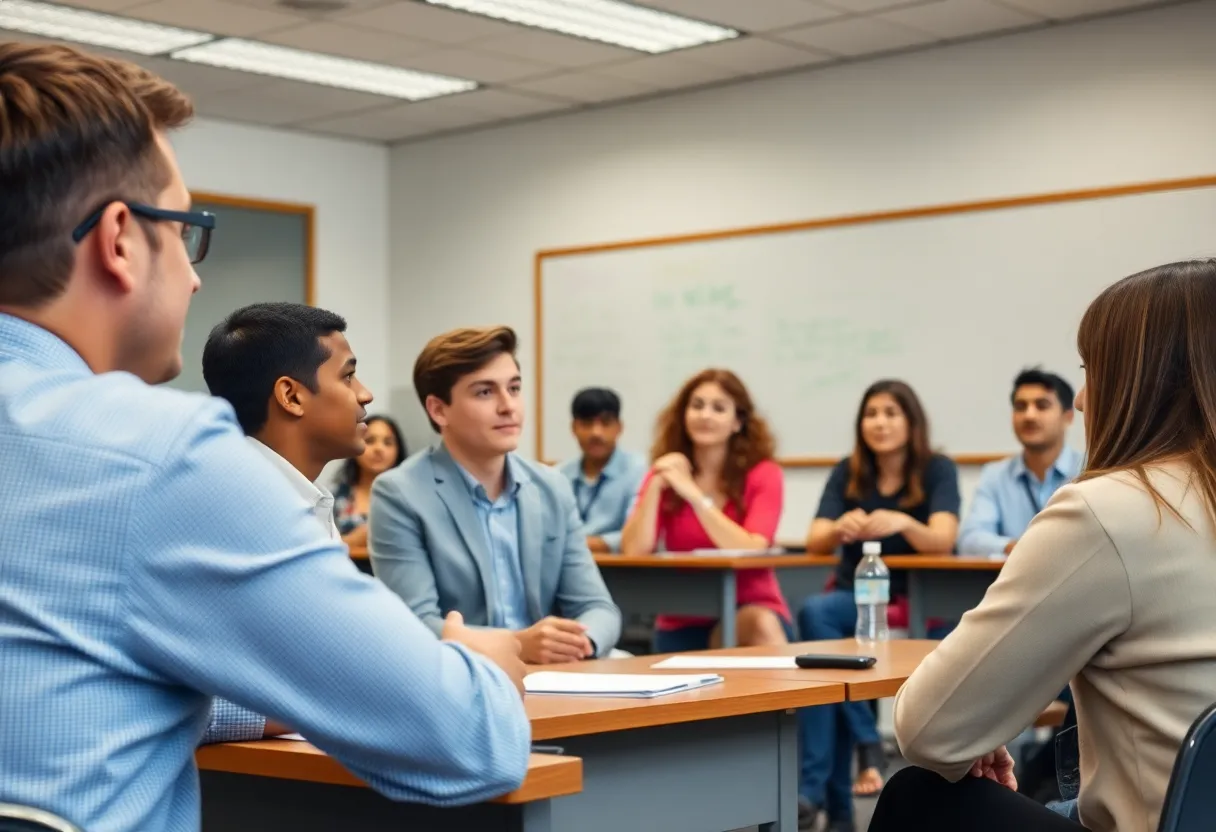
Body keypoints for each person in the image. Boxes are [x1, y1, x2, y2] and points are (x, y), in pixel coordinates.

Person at [0, 42, 531, 832]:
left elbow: (66, 683)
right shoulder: (156, 460)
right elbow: (467, 740)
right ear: (118, 240)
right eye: (185, 230)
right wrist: (481, 669)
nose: (194, 273)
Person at [872, 260, 1216, 832]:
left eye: (1091, 370)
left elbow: (929, 729)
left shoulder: (1110, 509)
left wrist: (970, 728)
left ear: (1142, 380)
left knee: (919, 795)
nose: (1080, 400)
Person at [370, 325, 622, 663]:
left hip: (555, 675)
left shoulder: (552, 487)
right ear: (438, 410)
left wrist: (581, 642)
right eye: (485, 393)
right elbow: (415, 623)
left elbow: (598, 608)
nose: (508, 406)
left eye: (514, 388)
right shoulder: (399, 493)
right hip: (461, 679)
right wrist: (518, 645)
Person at [199, 301, 374, 743]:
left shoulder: (307, 501)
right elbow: (176, 691)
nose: (365, 394)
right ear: (291, 396)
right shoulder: (222, 508)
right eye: (348, 376)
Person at [798, 379, 960, 831]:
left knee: (824, 667)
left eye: (891, 413)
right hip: (855, 601)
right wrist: (837, 529)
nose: (880, 422)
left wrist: (903, 521)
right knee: (817, 618)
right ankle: (866, 746)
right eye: (871, 413)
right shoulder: (848, 471)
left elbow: (943, 540)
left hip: (912, 603)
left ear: (911, 422)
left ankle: (816, 794)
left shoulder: (937, 469)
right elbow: (813, 540)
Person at [620, 368, 794, 651]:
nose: (705, 415)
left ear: (738, 422)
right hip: (682, 619)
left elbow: (752, 546)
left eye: (718, 408)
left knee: (760, 623)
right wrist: (655, 486)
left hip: (749, 611)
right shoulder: (670, 472)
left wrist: (695, 495)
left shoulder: (764, 473)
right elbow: (634, 550)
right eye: (696, 406)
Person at [959, 368, 1082, 555]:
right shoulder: (996, 475)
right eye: (1020, 406)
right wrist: (1016, 549)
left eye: (1042, 405)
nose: (1029, 415)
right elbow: (970, 539)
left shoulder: (1090, 469)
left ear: (1068, 416)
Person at [557, 387, 646, 554]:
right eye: (587, 423)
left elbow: (640, 535)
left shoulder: (639, 472)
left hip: (622, 570)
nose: (596, 433)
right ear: (574, 428)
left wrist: (587, 544)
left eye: (605, 423)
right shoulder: (559, 476)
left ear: (619, 427)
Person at [333, 414, 408, 546]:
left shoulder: (410, 499)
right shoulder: (332, 497)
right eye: (370, 440)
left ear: (398, 450)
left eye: (388, 442)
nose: (379, 449)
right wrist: (352, 540)